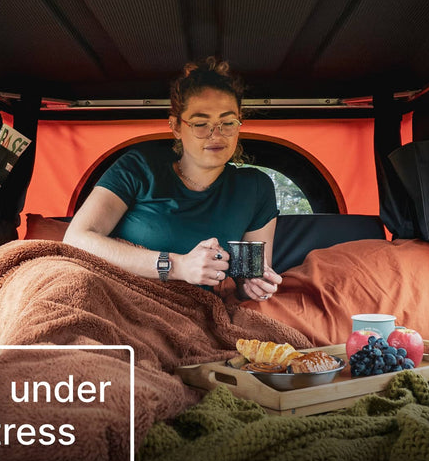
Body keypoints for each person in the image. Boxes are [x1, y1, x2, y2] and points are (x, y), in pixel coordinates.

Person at [63, 57, 282, 301]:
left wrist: (254, 285)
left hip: (191, 311)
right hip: (118, 295)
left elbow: (248, 277)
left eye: (227, 122)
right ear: (176, 126)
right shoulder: (137, 167)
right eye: (201, 123)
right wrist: (177, 266)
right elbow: (77, 239)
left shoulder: (254, 188)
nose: (216, 134)